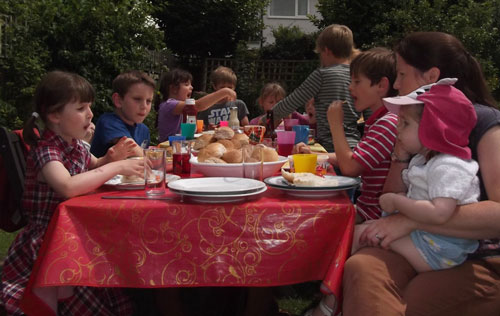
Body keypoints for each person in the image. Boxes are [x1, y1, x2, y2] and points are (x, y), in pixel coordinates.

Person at [342, 32, 500, 316]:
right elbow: (389, 196)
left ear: (431, 76)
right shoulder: (415, 123)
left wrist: (409, 220)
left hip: (481, 258)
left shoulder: (487, 123)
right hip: (423, 245)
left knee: (413, 302)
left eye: (401, 74)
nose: (397, 84)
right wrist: (401, 154)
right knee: (362, 267)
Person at [0, 71, 145, 315]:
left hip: (73, 232)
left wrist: (110, 158)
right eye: (80, 108)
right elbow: (67, 186)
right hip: (50, 242)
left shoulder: (75, 145)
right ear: (54, 115)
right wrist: (117, 166)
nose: (89, 114)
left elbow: (94, 165)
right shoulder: (46, 151)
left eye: (89, 106)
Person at [305, 47, 399, 316]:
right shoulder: (378, 120)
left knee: (319, 227)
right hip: (366, 209)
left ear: (381, 86)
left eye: (357, 81)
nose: (350, 87)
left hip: (372, 215)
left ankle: (329, 304)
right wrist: (315, 155)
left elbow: (351, 166)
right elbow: (357, 157)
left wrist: (334, 124)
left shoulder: (388, 122)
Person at [354, 78, 481, 273]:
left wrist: (398, 202)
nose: (397, 130)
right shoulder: (423, 161)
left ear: (433, 129)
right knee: (361, 232)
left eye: (404, 124)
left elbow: (439, 213)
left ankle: (331, 301)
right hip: (428, 238)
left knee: (361, 236)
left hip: (440, 249)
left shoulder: (449, 166)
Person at [262, 24, 360, 152]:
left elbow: (290, 103)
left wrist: (264, 121)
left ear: (327, 51)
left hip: (329, 147)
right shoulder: (358, 76)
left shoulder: (322, 75)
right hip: (354, 146)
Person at [156, 68, 236, 142]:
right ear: (173, 89)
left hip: (180, 147)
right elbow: (198, 105)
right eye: (187, 84)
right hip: (168, 148)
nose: (191, 87)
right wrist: (225, 91)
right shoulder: (169, 104)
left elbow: (188, 133)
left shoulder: (182, 109)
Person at [91, 70, 155, 158]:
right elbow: (131, 148)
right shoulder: (108, 122)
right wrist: (157, 158)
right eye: (137, 99)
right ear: (118, 100)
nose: (144, 106)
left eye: (148, 101)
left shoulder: (144, 130)